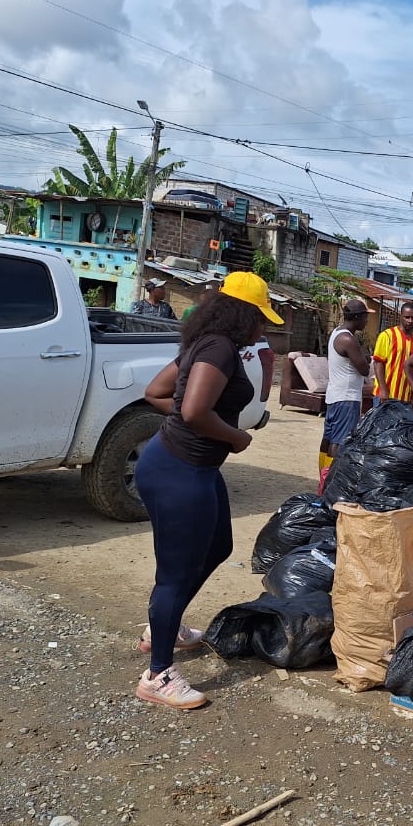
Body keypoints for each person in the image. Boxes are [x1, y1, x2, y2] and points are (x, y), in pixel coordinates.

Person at [133, 270, 281, 709]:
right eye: (261, 318)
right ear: (242, 314)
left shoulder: (207, 343)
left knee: (218, 546)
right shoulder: (218, 348)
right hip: (178, 469)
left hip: (191, 467)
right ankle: (158, 674)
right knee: (175, 572)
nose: (263, 328)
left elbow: (158, 392)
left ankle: (165, 625)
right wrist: (234, 437)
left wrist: (191, 422)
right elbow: (195, 410)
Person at [321, 299, 371, 461]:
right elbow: (364, 369)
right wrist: (366, 359)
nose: (367, 321)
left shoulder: (336, 332)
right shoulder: (349, 340)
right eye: (365, 316)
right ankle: (332, 475)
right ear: (357, 317)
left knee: (328, 439)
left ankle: (324, 474)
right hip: (347, 398)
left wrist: (363, 358)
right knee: (340, 442)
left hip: (334, 395)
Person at [372, 301, 413, 405]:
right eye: (407, 317)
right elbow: (378, 363)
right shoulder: (387, 335)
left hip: (405, 399)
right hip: (386, 395)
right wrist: (383, 389)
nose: (410, 321)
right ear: (400, 316)